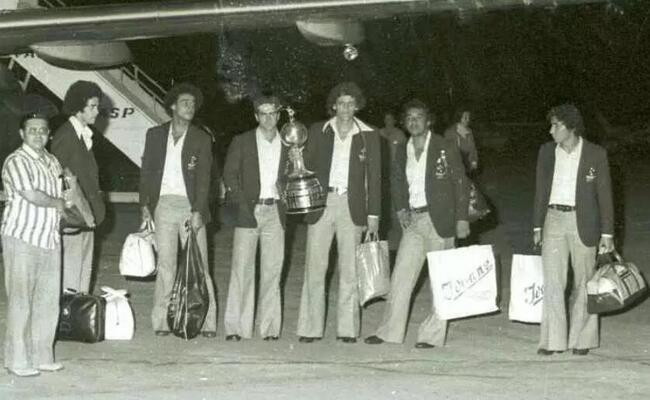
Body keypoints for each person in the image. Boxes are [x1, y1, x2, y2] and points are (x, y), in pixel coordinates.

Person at [365, 99, 470, 349]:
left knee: (440, 280)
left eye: (418, 117)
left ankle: (431, 336)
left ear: (429, 120)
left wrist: (462, 218)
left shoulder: (445, 146)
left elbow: (461, 183)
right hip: (413, 220)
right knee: (401, 276)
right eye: (409, 117)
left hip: (441, 221)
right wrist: (400, 207)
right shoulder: (402, 148)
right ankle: (389, 331)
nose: (413, 121)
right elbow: (397, 181)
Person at [296, 82, 381, 344]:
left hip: (352, 207)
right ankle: (310, 328)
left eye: (350, 103)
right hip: (323, 203)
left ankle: (347, 329)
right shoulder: (317, 130)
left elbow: (375, 178)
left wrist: (374, 216)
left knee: (350, 270)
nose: (345, 108)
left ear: (357, 105)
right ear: (333, 105)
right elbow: (304, 167)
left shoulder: (370, 135)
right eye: (341, 103)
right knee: (315, 266)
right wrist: (296, 157)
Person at [533, 104, 614, 356]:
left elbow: (605, 195)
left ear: (571, 127)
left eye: (556, 125)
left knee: (584, 282)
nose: (551, 130)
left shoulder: (595, 153)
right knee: (553, 282)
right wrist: (537, 225)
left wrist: (608, 234)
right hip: (553, 219)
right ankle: (552, 341)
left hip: (584, 221)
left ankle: (582, 340)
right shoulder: (547, 152)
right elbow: (539, 190)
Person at [139, 83, 218, 337]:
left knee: (200, 265)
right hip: (162, 205)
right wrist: (144, 206)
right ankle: (162, 321)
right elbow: (146, 172)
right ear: (172, 106)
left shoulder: (201, 138)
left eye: (193, 104)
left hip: (189, 206)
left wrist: (198, 210)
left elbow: (205, 178)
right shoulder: (154, 135)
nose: (190, 107)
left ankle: (207, 322)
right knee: (166, 266)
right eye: (185, 102)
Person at [1, 95, 67, 377]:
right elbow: (31, 195)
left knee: (48, 301)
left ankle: (42, 356)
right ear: (22, 133)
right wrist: (60, 203)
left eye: (42, 130)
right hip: (22, 238)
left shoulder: (52, 161)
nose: (38, 134)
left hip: (50, 239)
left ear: (48, 133)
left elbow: (63, 191)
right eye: (32, 130)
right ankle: (17, 360)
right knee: (20, 301)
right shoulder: (15, 161)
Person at [222, 95, 287, 341]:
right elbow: (230, 174)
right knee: (241, 269)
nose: (268, 118)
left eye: (273, 113)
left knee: (272, 271)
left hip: (276, 212)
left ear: (279, 116)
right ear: (256, 116)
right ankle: (236, 328)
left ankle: (270, 329)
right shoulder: (242, 141)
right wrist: (240, 203)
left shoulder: (290, 142)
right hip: (249, 211)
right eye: (263, 113)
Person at [51, 80, 105, 294]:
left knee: (82, 276)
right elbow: (57, 177)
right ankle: (68, 324)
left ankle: (78, 323)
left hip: (86, 216)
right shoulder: (66, 136)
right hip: (74, 217)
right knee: (71, 278)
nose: (97, 111)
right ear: (78, 108)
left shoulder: (82, 135)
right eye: (92, 106)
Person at [444, 108, 478, 173]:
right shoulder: (450, 132)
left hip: (468, 166)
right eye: (465, 118)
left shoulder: (469, 131)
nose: (468, 120)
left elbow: (473, 148)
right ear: (459, 118)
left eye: (468, 117)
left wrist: (474, 161)